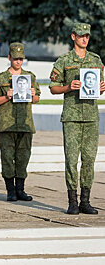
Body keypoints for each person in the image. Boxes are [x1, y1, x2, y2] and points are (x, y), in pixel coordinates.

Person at [49, 23, 105, 215]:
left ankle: (85, 201)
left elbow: (99, 84)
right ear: (73, 36)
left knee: (89, 159)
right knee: (71, 159)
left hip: (90, 116)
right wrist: (68, 87)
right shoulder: (64, 60)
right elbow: (53, 87)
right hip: (72, 117)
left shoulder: (96, 61)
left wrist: (101, 88)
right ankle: (72, 201)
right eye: (81, 36)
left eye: (87, 36)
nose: (84, 39)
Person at [0, 43, 40, 202]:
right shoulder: (1, 78)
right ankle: (10, 190)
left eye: (21, 59)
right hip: (6, 124)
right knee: (8, 158)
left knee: (23, 158)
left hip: (25, 125)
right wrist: (7, 97)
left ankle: (21, 190)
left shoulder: (30, 77)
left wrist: (32, 95)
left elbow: (37, 98)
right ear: (9, 58)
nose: (18, 61)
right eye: (15, 58)